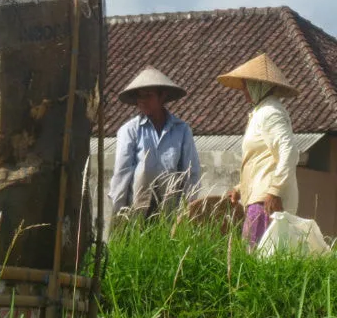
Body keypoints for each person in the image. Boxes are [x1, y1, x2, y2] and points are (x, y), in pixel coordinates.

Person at [217, 53, 299, 248]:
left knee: (258, 259)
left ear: (258, 85)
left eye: (247, 85)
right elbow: (260, 161)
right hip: (260, 197)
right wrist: (239, 188)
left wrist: (275, 191)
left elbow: (289, 152)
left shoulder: (271, 113)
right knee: (256, 257)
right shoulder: (261, 112)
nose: (244, 91)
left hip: (266, 200)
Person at [109, 67, 201, 217]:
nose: (142, 101)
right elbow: (122, 174)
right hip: (136, 210)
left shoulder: (181, 130)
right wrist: (118, 214)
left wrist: (187, 211)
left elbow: (191, 173)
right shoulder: (130, 130)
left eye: (148, 95)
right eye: (139, 97)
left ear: (162, 96)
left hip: (170, 211)